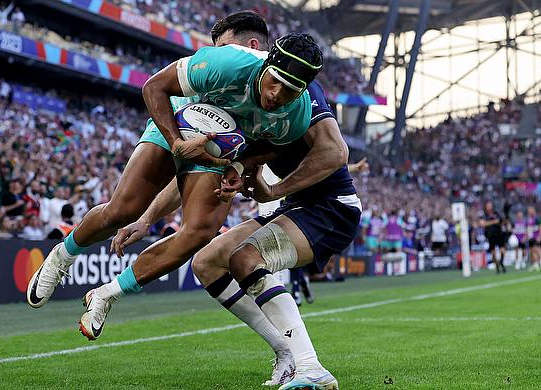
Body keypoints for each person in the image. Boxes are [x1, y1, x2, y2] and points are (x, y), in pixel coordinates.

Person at [110, 12, 355, 389]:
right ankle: (285, 353)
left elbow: (335, 152)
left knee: (244, 258)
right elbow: (191, 175)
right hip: (296, 207)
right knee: (207, 263)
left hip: (330, 206)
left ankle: (310, 368)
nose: (276, 94)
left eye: (225, 49)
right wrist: (147, 217)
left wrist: (274, 189)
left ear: (254, 49)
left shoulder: (300, 88)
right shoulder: (238, 99)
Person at [27, 26, 322, 328]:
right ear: (266, 64)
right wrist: (176, 141)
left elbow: (272, 146)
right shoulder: (229, 64)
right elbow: (154, 87)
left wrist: (238, 168)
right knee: (123, 211)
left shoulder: (298, 114)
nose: (277, 95)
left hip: (220, 149)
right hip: (179, 120)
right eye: (275, 82)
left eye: (290, 91)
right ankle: (63, 255)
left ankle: (106, 294)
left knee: (199, 233)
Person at [479, 201, 506, 273]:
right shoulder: (484, 215)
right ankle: (497, 266)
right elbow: (482, 224)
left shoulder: (496, 213)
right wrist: (493, 222)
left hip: (499, 234)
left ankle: (501, 262)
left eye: (490, 205)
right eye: (488, 205)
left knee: (502, 250)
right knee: (493, 252)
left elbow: (501, 221)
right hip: (491, 235)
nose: (489, 207)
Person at [526, 206, 541, 271]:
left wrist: (539, 236)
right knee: (532, 251)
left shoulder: (537, 218)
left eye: (531, 210)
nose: (530, 212)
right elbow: (527, 228)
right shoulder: (528, 219)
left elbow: (540, 227)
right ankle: (534, 264)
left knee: (536, 250)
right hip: (530, 238)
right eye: (529, 211)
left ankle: (537, 263)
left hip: (536, 237)